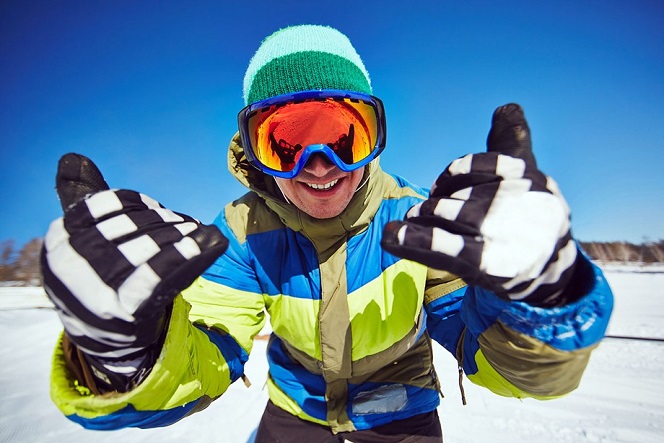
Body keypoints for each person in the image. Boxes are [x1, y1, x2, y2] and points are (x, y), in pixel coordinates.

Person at [41, 25, 613, 442]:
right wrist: (125, 358)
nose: (319, 165)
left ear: (374, 138)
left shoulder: (417, 223)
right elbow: (210, 352)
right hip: (296, 417)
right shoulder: (241, 235)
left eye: (343, 136)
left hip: (403, 420)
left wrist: (540, 302)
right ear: (256, 153)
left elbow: (491, 357)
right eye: (287, 141)